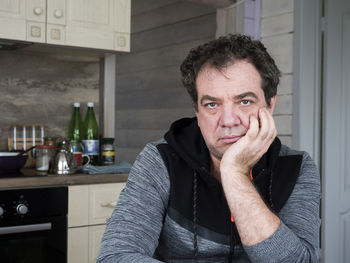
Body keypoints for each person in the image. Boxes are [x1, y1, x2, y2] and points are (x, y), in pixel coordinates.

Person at [97, 34, 320, 262]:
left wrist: (235, 173)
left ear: (270, 104)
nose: (229, 120)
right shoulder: (161, 160)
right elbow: (115, 256)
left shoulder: (296, 167)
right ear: (197, 110)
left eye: (244, 101)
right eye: (212, 104)